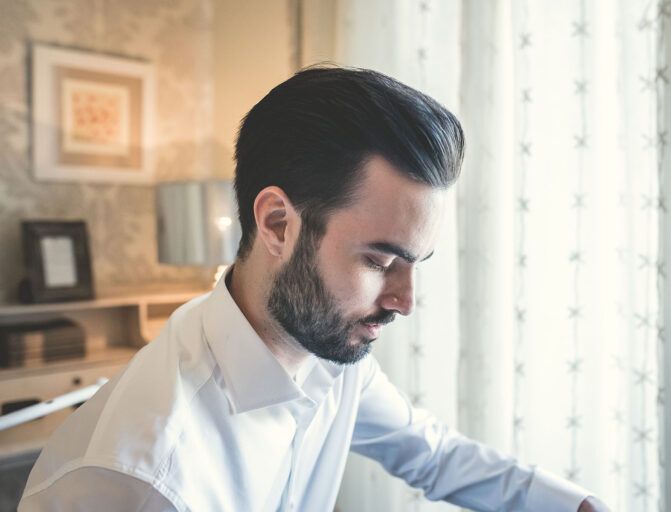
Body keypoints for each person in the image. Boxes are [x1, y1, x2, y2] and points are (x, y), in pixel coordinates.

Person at [19, 66, 608, 511]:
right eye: (381, 260)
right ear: (278, 223)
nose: (405, 300)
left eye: (416, 263)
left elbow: (432, 452)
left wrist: (576, 505)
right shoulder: (146, 479)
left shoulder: (327, 349)